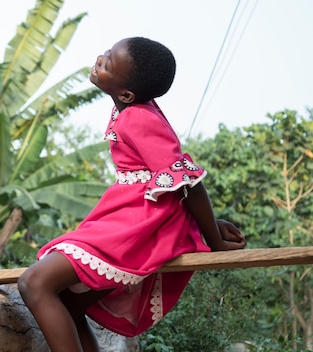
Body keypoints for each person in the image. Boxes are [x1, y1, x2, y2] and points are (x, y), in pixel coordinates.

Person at [17, 37, 247, 352]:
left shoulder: (137, 116)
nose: (100, 58)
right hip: (127, 216)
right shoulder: (133, 107)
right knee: (69, 303)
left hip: (140, 225)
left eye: (109, 63)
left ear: (126, 92)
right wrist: (204, 223)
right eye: (107, 52)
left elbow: (187, 181)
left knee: (35, 283)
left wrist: (213, 239)